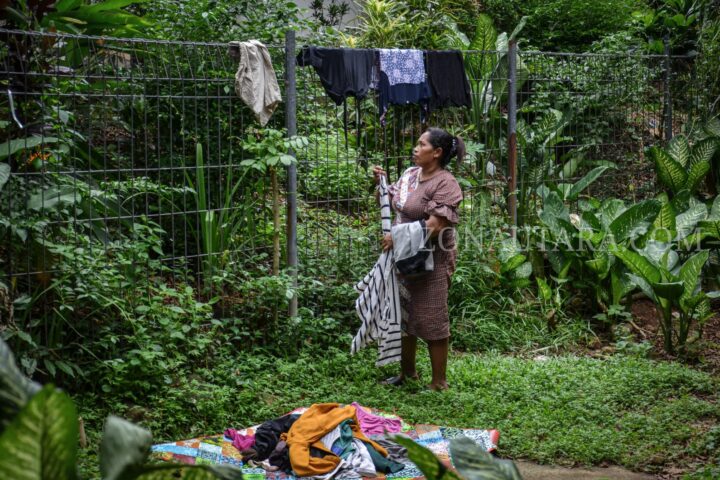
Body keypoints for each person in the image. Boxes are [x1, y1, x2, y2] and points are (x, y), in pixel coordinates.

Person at [372, 127, 464, 391]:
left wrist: (396, 237)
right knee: (403, 313)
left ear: (436, 153)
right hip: (403, 257)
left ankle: (439, 382)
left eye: (421, 144)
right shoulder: (410, 174)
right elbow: (390, 200)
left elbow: (435, 226)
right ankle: (407, 373)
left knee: (432, 315)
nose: (415, 148)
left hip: (433, 259)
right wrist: (379, 183)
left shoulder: (446, 184)